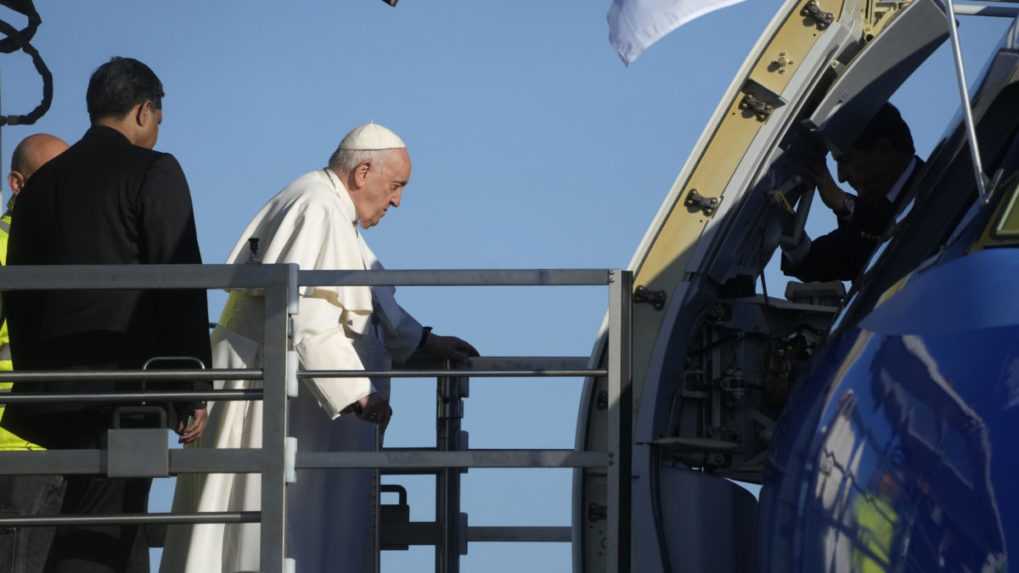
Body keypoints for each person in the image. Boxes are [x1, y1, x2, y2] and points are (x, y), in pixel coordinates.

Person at [160, 123, 478, 573]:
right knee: (260, 535)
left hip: (304, 416)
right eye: (395, 186)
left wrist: (424, 341)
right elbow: (303, 313)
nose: (397, 201)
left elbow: (367, 299)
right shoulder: (315, 207)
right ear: (363, 171)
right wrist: (356, 393)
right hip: (272, 412)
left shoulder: (330, 210)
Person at [2, 57, 212, 573]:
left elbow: (21, 296)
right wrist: (190, 389)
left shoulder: (38, 189)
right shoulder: (155, 171)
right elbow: (179, 281)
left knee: (108, 530)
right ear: (143, 111)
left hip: (46, 399)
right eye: (159, 119)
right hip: (128, 398)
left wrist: (36, 378)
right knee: (108, 528)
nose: (158, 131)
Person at [0, 133, 69, 573]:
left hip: (47, 447)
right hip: (14, 450)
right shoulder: (9, 248)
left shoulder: (58, 252)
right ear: (16, 184)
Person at [782, 103, 924, 282]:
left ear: (883, 149)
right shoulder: (867, 220)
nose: (841, 177)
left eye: (845, 160)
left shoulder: (941, 183)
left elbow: (897, 229)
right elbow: (822, 261)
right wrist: (788, 231)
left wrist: (844, 203)